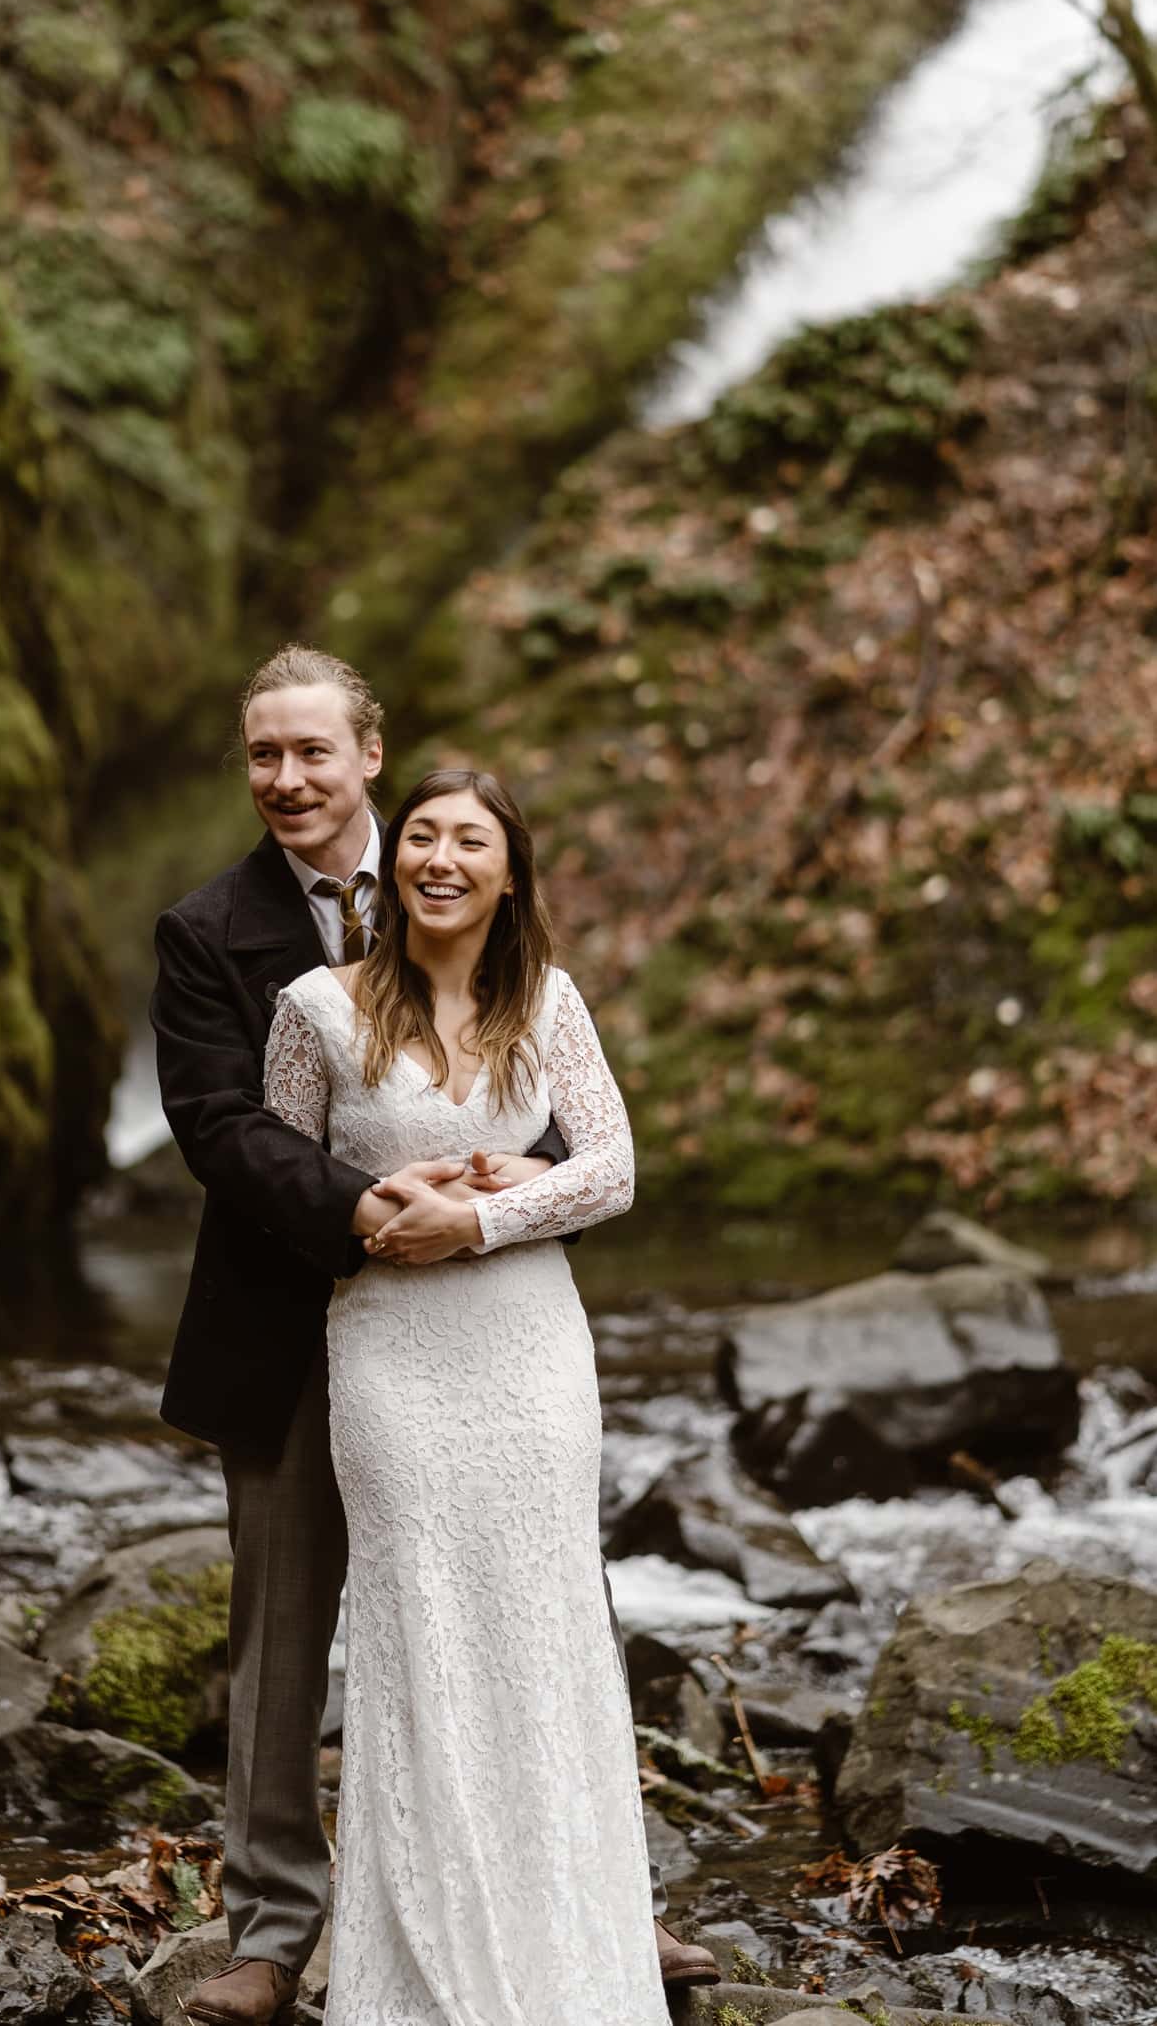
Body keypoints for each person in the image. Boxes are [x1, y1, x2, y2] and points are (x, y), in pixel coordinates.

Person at [152, 646, 715, 2026]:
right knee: (285, 1629)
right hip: (296, 1315)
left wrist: (500, 1204)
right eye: (263, 755)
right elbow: (224, 1129)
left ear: (369, 756)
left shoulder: (482, 920)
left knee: (536, 1599)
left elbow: (584, 1144)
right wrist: (374, 1209)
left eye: (311, 753)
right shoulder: (209, 930)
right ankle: (276, 1932)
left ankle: (580, 1893)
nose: (287, 779)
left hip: (493, 1327)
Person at [264, 767, 671, 2024]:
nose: (442, 857)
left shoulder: (548, 1002)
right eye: (424, 836)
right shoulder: (315, 1007)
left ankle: (572, 1947)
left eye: (471, 841)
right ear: (395, 867)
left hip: (532, 1351)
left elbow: (612, 1169)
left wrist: (484, 1215)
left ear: (509, 874)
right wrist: (382, 1209)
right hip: (387, 1354)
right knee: (419, 1628)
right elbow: (282, 1177)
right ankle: (422, 1966)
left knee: (546, 1625)